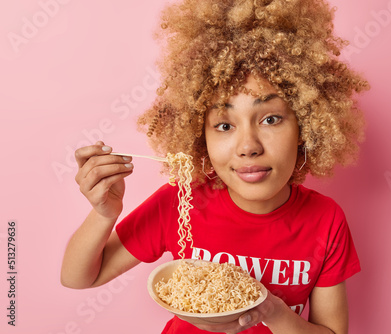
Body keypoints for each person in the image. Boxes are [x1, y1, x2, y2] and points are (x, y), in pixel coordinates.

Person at [60, 0, 369, 333]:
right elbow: (78, 278)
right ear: (200, 137)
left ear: (305, 128)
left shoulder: (326, 220)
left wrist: (273, 311)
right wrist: (104, 213)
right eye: (224, 125)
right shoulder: (181, 203)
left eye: (270, 118)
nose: (249, 147)